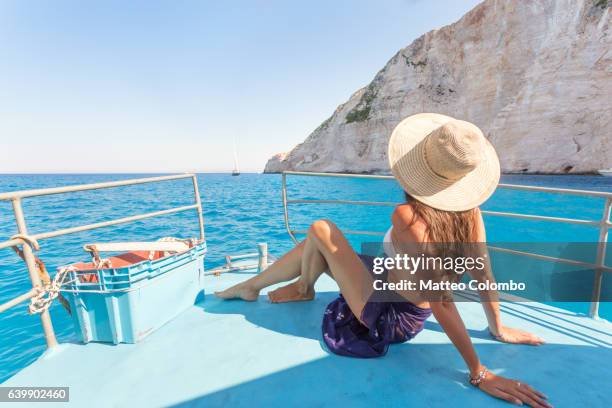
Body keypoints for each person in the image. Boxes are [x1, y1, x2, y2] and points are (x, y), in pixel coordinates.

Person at [216, 113, 551, 407]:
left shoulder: (407, 217)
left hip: (389, 315)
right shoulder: (471, 214)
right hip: (388, 286)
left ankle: (302, 287)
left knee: (321, 229)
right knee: (315, 244)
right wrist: (498, 328)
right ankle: (252, 286)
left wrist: (478, 373)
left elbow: (442, 302)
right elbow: (483, 273)